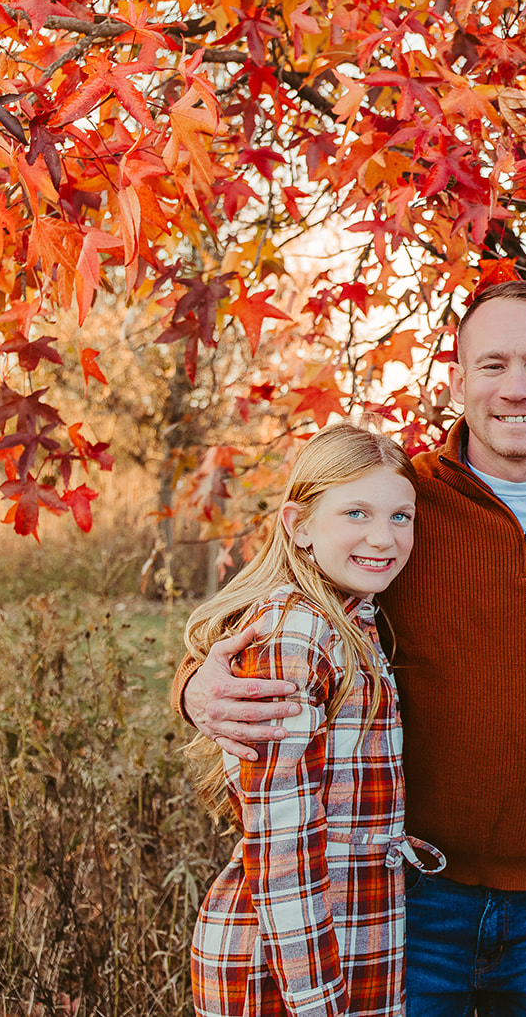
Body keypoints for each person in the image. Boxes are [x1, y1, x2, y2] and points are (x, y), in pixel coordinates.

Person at [172, 281, 526, 1015]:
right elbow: (263, 613)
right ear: (458, 379)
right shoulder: (397, 507)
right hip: (409, 896)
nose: (516, 387)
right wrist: (192, 687)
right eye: (492, 365)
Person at [187, 422, 444, 1017]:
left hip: (354, 934)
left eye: (400, 517)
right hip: (287, 963)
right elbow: (284, 846)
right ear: (298, 526)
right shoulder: (297, 634)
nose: (383, 538)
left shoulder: (354, 619)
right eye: (356, 513)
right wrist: (316, 1002)